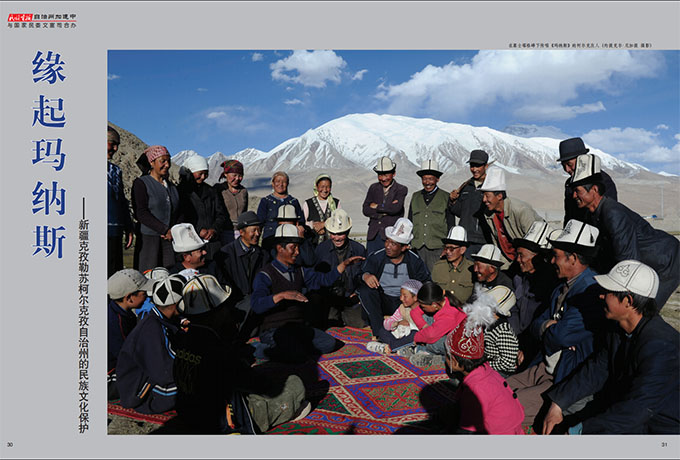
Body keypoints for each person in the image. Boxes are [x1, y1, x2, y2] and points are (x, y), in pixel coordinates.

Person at [542, 260, 680, 435]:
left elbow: (638, 409)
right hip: (624, 408)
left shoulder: (662, 347)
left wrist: (582, 431)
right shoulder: (618, 330)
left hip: (660, 427)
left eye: (609, 292)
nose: (601, 296)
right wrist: (558, 403)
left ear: (628, 301)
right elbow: (598, 369)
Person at [172, 274, 311, 434]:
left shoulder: (184, 338)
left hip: (189, 414)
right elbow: (256, 383)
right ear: (216, 312)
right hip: (222, 420)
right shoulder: (217, 347)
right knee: (295, 384)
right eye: (225, 307)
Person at [505, 220, 606, 429]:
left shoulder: (590, 290)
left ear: (573, 258)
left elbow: (562, 336)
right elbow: (538, 324)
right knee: (497, 388)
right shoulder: (562, 286)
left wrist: (551, 328)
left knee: (504, 407)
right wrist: (547, 327)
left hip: (564, 376)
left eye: (556, 256)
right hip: (545, 365)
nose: (552, 261)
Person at [571, 154, 680, 310]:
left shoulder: (613, 214)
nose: (574, 196)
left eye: (578, 191)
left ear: (594, 190)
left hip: (665, 260)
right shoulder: (593, 213)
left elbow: (628, 261)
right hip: (649, 258)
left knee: (643, 311)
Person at [250, 224, 365, 363]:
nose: (297, 252)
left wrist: (343, 265)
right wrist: (282, 295)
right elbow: (257, 305)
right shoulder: (265, 274)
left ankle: (293, 348)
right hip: (274, 329)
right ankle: (257, 348)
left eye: (298, 247)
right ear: (280, 248)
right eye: (293, 248)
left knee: (329, 344)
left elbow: (324, 280)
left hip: (297, 327)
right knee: (295, 354)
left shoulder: (300, 271)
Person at [444, 314, 525, 434]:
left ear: (455, 363)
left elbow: (466, 431)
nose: (444, 360)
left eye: (446, 356)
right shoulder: (486, 369)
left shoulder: (475, 388)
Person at [116, 275, 186, 414]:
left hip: (147, 379)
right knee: (203, 383)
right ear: (177, 304)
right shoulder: (152, 328)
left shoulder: (158, 319)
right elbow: (165, 371)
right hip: (143, 394)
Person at [357, 217, 431, 338]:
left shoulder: (414, 260)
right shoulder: (377, 257)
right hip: (383, 300)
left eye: (393, 244)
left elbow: (426, 281)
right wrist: (366, 276)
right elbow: (359, 274)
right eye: (387, 241)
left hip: (405, 303)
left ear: (404, 247)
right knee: (366, 291)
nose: (388, 246)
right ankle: (379, 332)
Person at [309, 209, 367, 329]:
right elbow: (315, 278)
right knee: (329, 324)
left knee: (360, 324)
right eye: (333, 233)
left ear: (348, 231)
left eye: (340, 234)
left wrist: (358, 294)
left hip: (350, 298)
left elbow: (363, 274)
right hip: (329, 298)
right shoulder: (321, 250)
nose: (336, 238)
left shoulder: (359, 249)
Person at [213, 211, 269, 334]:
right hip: (235, 302)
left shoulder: (263, 254)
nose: (258, 234)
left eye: (259, 230)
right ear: (242, 232)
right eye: (253, 230)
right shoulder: (225, 255)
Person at [479, 167, 543, 270]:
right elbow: (497, 243)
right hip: (510, 261)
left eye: (487, 196)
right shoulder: (488, 214)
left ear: (499, 196)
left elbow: (534, 244)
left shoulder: (521, 210)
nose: (484, 200)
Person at [131, 145, 181, 272]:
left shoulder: (172, 187)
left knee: (169, 276)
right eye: (162, 161)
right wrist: (164, 230)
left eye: (168, 161)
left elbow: (178, 212)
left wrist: (173, 231)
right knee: (149, 275)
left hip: (169, 240)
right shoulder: (141, 183)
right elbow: (141, 213)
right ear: (152, 163)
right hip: (149, 240)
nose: (167, 165)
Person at [107, 269, 154, 400]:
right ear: (129, 298)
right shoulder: (114, 322)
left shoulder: (122, 312)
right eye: (143, 293)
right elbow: (126, 357)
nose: (147, 296)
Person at [177, 155, 230, 260]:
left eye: (205, 174)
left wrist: (214, 229)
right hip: (190, 245)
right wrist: (197, 230)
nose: (203, 177)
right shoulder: (180, 192)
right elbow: (180, 218)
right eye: (200, 173)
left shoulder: (211, 192)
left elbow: (221, 214)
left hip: (212, 243)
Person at [403, 281, 467, 368]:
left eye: (423, 306)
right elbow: (414, 312)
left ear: (434, 305)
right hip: (443, 333)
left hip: (459, 345)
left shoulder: (450, 315)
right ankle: (424, 351)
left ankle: (435, 357)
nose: (421, 308)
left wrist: (416, 338)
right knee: (426, 318)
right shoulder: (441, 301)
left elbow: (431, 335)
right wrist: (424, 327)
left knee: (435, 342)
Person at [558, 137, 617, 226]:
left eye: (570, 164)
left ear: (582, 160)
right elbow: (569, 216)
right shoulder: (569, 184)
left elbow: (610, 214)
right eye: (564, 166)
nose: (567, 169)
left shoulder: (603, 180)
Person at [408, 160, 453, 271]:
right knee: (418, 280)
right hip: (417, 248)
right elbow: (409, 222)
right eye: (424, 179)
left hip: (438, 248)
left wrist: (448, 247)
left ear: (437, 179)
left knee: (436, 280)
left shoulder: (446, 197)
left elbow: (451, 224)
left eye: (430, 179)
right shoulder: (415, 197)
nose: (427, 182)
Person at [447, 149, 493, 258]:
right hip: (466, 239)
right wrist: (453, 201)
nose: (474, 169)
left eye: (478, 166)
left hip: (484, 240)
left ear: (486, 166)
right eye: (472, 166)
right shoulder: (466, 186)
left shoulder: (492, 186)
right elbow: (459, 212)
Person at [362, 156, 408, 256]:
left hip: (391, 237)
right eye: (380, 175)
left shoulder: (401, 189)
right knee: (372, 264)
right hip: (373, 235)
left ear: (394, 174)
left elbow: (396, 209)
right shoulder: (373, 188)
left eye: (386, 174)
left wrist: (376, 206)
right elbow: (365, 209)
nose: (383, 178)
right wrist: (387, 209)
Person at [364, 279, 423, 355]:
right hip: (399, 336)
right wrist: (396, 323)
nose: (401, 298)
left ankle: (389, 347)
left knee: (415, 335)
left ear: (415, 297)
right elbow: (388, 322)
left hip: (412, 337)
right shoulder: (402, 308)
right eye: (401, 295)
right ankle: (399, 347)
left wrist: (410, 325)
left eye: (405, 296)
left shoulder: (423, 309)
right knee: (382, 330)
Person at [474, 285, 520, 378]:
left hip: (500, 372)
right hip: (487, 363)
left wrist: (484, 366)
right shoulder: (488, 325)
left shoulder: (503, 331)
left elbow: (508, 362)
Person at [107, 126, 134, 276]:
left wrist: (128, 226)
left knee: (114, 276)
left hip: (115, 232)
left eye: (117, 144)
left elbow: (121, 201)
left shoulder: (116, 171)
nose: (116, 148)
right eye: (112, 143)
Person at [431, 226, 475, 303]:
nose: (447, 252)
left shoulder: (472, 269)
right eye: (446, 248)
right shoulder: (438, 267)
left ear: (462, 250)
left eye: (451, 249)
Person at [257, 171, 304, 241]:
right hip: (270, 238)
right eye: (277, 181)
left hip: (290, 239)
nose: (281, 184)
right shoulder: (266, 201)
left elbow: (301, 221)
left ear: (287, 184)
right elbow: (260, 222)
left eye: (284, 182)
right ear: (273, 183)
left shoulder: (294, 201)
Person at [214, 159, 248, 245]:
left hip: (240, 232)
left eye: (240, 175)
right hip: (223, 232)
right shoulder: (219, 189)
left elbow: (245, 212)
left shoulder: (243, 191)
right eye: (234, 175)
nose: (237, 178)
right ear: (225, 174)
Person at [302, 174, 340, 246]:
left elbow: (340, 220)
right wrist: (313, 225)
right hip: (312, 244)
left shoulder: (336, 203)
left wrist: (324, 224)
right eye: (322, 187)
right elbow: (303, 223)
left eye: (328, 187)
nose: (325, 190)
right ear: (316, 187)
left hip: (332, 245)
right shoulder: (308, 203)